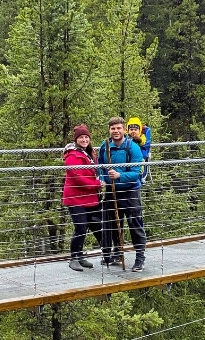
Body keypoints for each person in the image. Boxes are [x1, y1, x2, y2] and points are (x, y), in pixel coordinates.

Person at [98, 116, 147, 271]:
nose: (116, 131)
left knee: (135, 224)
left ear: (124, 129)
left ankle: (140, 258)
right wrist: (102, 178)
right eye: (113, 128)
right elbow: (100, 165)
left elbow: (137, 171)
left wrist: (120, 176)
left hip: (131, 191)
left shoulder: (133, 147)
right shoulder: (104, 146)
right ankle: (118, 252)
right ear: (109, 130)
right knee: (113, 224)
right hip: (111, 192)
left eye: (119, 128)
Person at [62, 124, 106, 271]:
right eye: (81, 137)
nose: (84, 139)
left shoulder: (90, 153)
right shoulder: (72, 154)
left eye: (86, 137)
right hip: (76, 197)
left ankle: (80, 256)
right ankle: (73, 258)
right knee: (81, 227)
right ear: (76, 140)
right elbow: (77, 177)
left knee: (90, 225)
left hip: (88, 196)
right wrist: (97, 184)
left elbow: (96, 170)